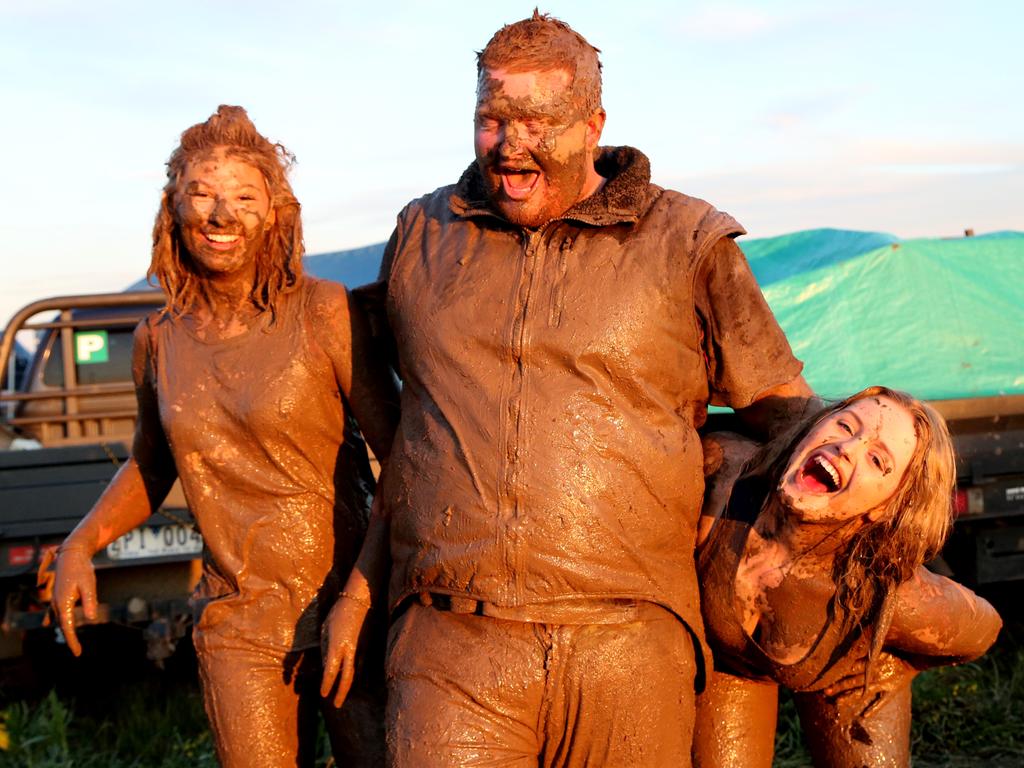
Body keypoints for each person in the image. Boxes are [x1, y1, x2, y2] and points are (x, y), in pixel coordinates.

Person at [321, 11, 814, 766]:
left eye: (537, 121)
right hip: (453, 641)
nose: (511, 146)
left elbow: (786, 415)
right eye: (492, 119)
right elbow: (402, 421)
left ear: (593, 124)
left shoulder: (685, 241)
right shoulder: (423, 236)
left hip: (629, 641)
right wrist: (356, 593)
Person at [49, 106, 398, 768]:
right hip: (239, 622)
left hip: (353, 606)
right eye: (202, 194)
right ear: (172, 208)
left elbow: (407, 456)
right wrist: (80, 542)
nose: (220, 215)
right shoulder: (158, 339)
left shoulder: (323, 312)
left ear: (276, 213)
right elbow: (153, 465)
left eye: (243, 197)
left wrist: (360, 596)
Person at [693, 386, 1002, 767]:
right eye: (843, 425)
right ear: (812, 428)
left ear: (887, 507)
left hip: (848, 665)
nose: (847, 447)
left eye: (877, 460)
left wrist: (901, 667)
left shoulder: (887, 594)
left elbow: (984, 627)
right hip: (732, 657)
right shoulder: (725, 479)